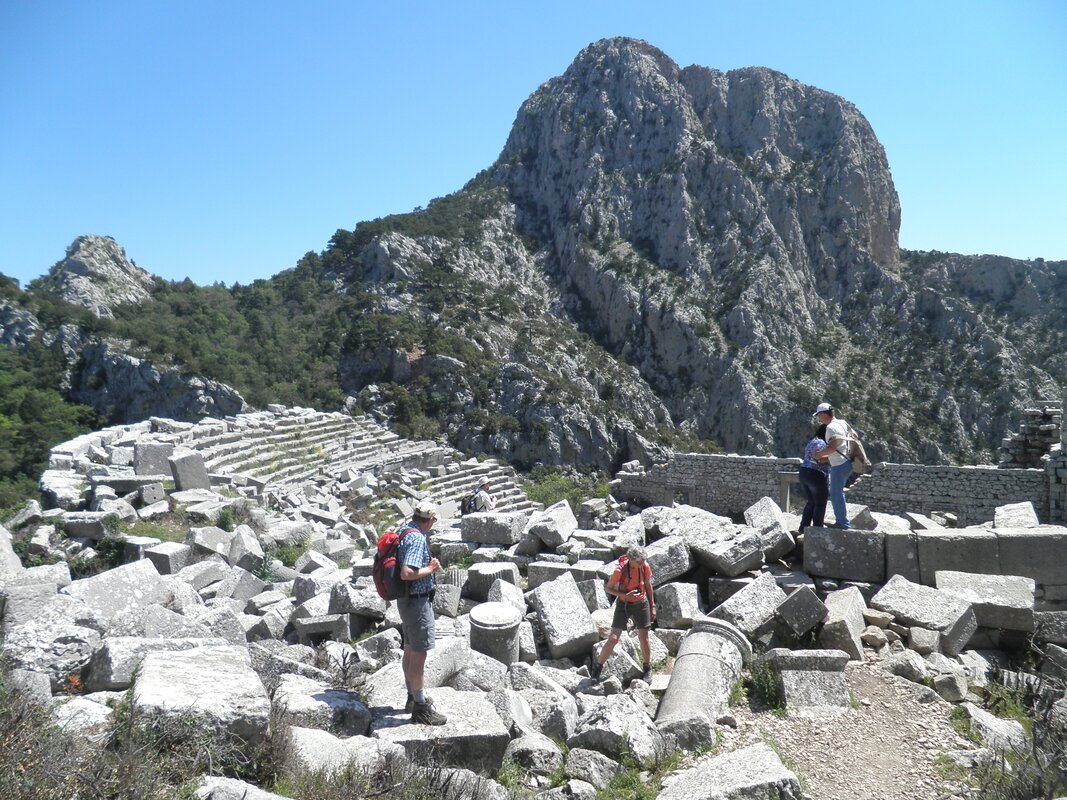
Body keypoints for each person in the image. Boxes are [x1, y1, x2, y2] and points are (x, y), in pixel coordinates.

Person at [397, 500, 446, 725]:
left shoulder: (406, 530)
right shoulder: (417, 538)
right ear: (429, 520)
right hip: (417, 602)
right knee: (419, 654)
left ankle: (412, 697)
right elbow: (407, 573)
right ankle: (421, 708)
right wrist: (431, 569)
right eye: (433, 521)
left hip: (406, 601)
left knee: (409, 649)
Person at [591, 544, 656, 682]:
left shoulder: (644, 566)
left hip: (641, 603)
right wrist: (626, 596)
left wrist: (652, 605)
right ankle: (597, 669)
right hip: (623, 605)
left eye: (643, 560)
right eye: (639, 561)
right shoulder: (619, 571)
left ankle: (647, 668)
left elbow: (648, 585)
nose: (642, 563)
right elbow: (608, 588)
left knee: (644, 638)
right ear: (630, 560)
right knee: (613, 638)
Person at [812, 403, 852, 530]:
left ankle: (842, 523)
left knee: (836, 494)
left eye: (819, 415)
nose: (819, 418)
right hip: (847, 462)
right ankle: (842, 521)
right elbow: (853, 437)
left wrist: (818, 454)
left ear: (824, 414)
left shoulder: (830, 428)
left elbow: (832, 447)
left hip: (838, 465)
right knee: (838, 492)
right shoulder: (842, 423)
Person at [798, 423, 830, 533]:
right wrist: (833, 460)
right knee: (820, 503)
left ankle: (803, 529)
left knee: (811, 502)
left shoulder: (812, 441)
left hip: (804, 471)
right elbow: (818, 459)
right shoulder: (822, 443)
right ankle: (817, 530)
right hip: (816, 473)